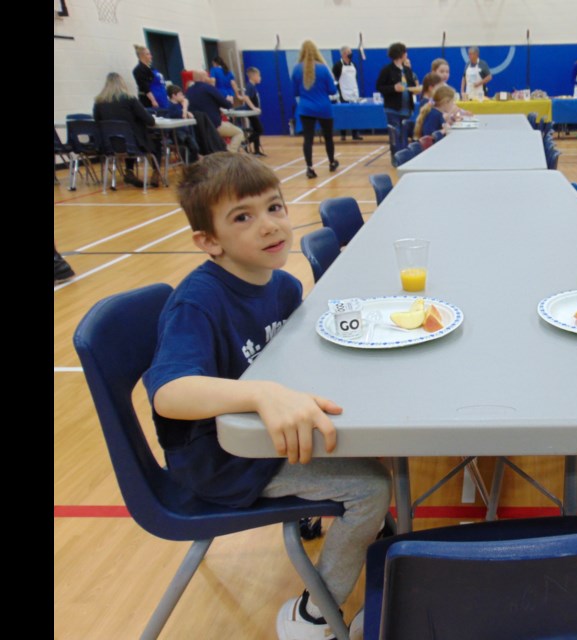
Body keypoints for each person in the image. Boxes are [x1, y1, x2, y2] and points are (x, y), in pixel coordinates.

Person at [143, 152, 391, 640]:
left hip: (263, 437)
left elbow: (299, 356)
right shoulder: (199, 301)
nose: (269, 226)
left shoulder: (279, 284)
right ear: (208, 242)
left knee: (371, 435)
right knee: (372, 487)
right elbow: (168, 393)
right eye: (243, 217)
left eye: (274, 208)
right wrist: (258, 393)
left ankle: (367, 533)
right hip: (221, 458)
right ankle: (315, 612)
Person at [93, 72, 160, 188]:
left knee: (126, 138)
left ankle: (129, 171)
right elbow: (149, 120)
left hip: (109, 145)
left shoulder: (98, 103)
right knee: (156, 141)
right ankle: (156, 172)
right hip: (132, 143)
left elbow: (97, 122)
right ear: (122, 84)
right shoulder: (130, 99)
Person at [293, 40, 340, 177]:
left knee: (308, 139)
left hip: (305, 108)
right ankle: (331, 162)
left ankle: (310, 167)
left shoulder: (297, 69)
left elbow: (294, 92)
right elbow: (332, 90)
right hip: (323, 107)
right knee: (328, 137)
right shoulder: (323, 68)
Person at [186, 70, 245, 153]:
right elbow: (226, 105)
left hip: (197, 129)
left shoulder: (188, 91)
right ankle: (230, 153)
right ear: (203, 77)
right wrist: (229, 101)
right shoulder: (209, 88)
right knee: (239, 132)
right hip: (214, 126)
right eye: (208, 76)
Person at [377, 42, 421, 136]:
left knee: (405, 136)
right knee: (396, 137)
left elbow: (412, 86)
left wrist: (417, 89)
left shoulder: (407, 70)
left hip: (407, 109)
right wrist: (393, 88)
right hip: (393, 109)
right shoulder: (387, 70)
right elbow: (379, 87)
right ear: (401, 54)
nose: (406, 54)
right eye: (405, 52)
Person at [332, 46, 363, 141]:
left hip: (354, 92)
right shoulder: (338, 65)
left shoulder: (353, 65)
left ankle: (355, 133)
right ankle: (343, 134)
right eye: (349, 52)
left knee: (355, 113)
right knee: (344, 114)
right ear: (344, 54)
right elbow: (334, 79)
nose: (351, 53)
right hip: (343, 93)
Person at [164, 85, 202, 161]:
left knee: (195, 146)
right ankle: (192, 163)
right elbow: (183, 116)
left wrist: (186, 110)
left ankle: (195, 159)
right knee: (194, 148)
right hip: (178, 134)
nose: (183, 96)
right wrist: (185, 106)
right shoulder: (171, 107)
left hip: (185, 131)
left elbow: (190, 115)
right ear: (174, 96)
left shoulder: (178, 105)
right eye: (180, 94)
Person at [132, 44, 169, 110]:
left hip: (162, 97)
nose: (151, 56)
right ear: (142, 56)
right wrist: (153, 100)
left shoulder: (151, 68)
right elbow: (145, 87)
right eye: (148, 54)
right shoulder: (138, 70)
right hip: (149, 100)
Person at [243, 67, 267, 156]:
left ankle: (257, 150)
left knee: (256, 129)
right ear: (254, 76)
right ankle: (245, 143)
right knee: (259, 130)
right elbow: (246, 97)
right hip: (251, 113)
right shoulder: (249, 86)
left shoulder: (252, 87)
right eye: (259, 76)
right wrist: (253, 108)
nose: (260, 78)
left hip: (254, 113)